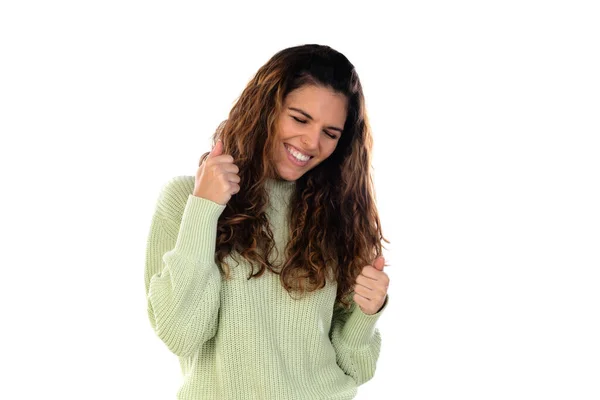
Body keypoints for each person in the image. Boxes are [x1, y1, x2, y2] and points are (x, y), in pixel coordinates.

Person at [144, 43, 391, 400]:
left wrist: (366, 313)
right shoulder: (186, 202)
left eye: (330, 133)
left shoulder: (337, 218)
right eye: (300, 118)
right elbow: (180, 333)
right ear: (266, 108)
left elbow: (356, 368)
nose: (311, 141)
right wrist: (204, 209)